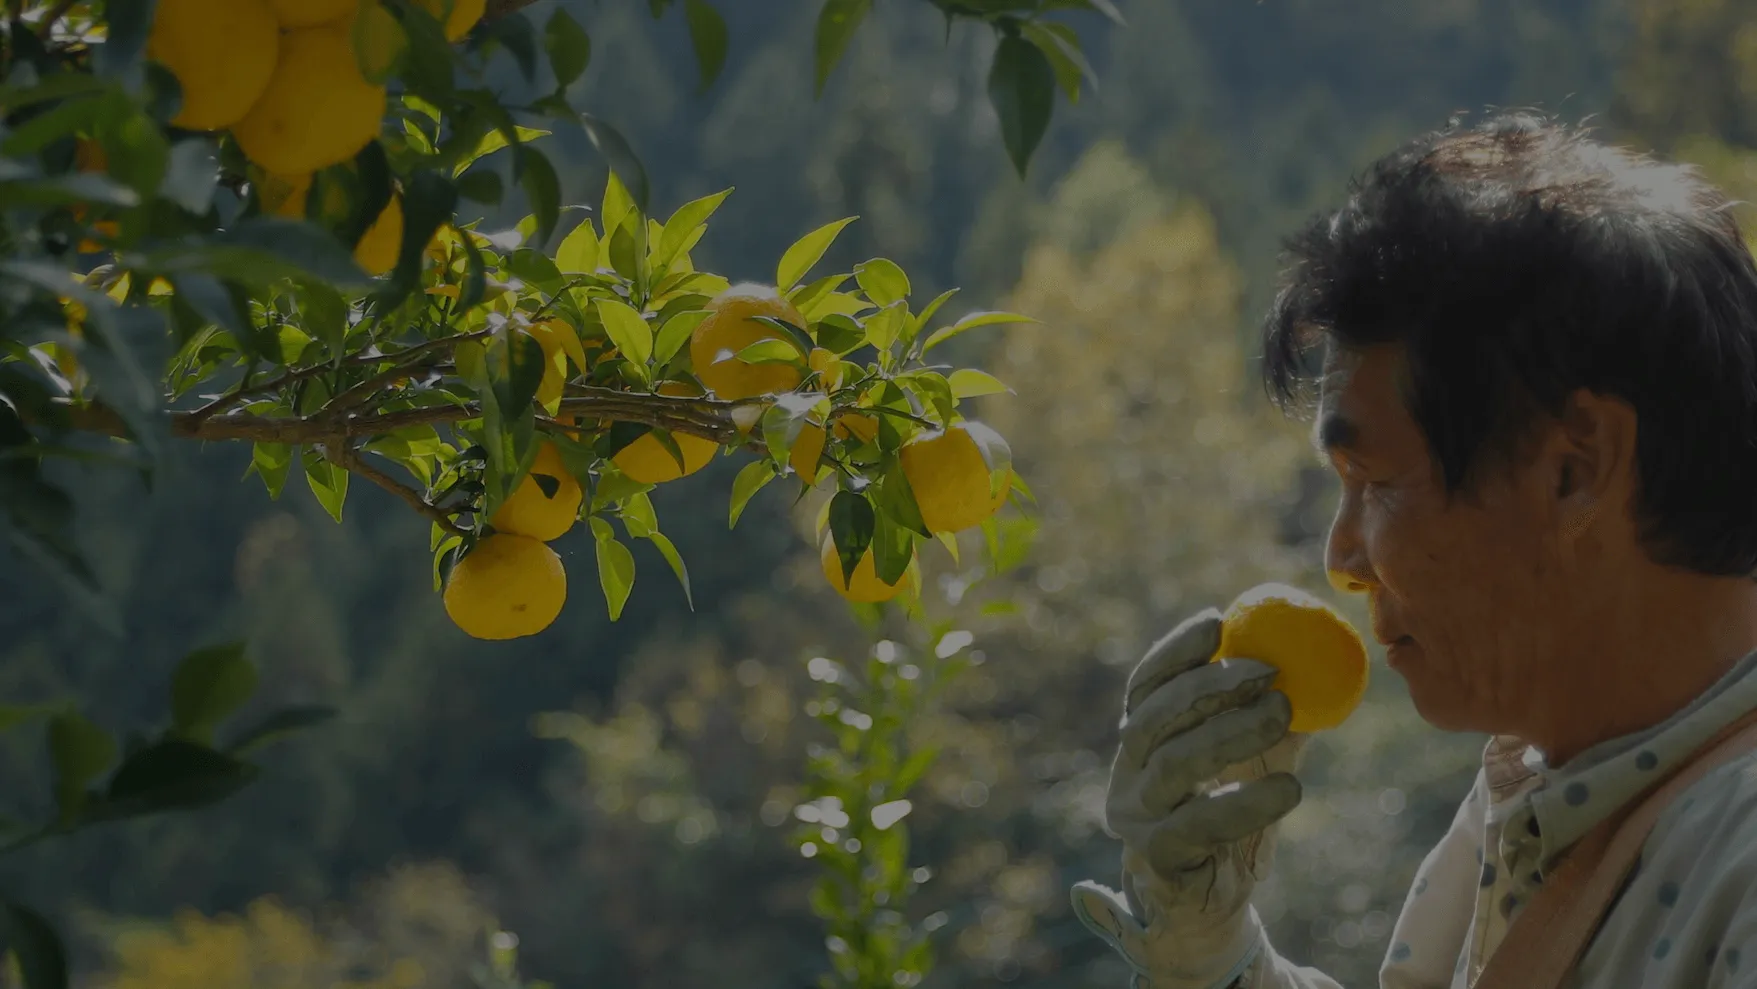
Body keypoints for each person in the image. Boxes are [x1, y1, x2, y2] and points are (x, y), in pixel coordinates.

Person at [1069, 109, 1757, 988]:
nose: (1341, 557)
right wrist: (1212, 955)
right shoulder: (1535, 790)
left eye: (1376, 479)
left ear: (1572, 469)